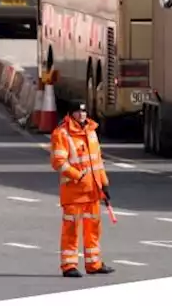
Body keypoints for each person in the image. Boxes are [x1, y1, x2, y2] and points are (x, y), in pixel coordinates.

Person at [50, 102, 115, 279]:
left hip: (92, 192)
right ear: (71, 114)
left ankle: (94, 264)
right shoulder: (62, 133)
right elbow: (58, 162)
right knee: (71, 230)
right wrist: (77, 175)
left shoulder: (91, 132)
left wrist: (104, 184)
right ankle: (69, 265)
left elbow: (98, 162)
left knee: (93, 229)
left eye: (84, 111)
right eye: (78, 111)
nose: (82, 114)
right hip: (74, 193)